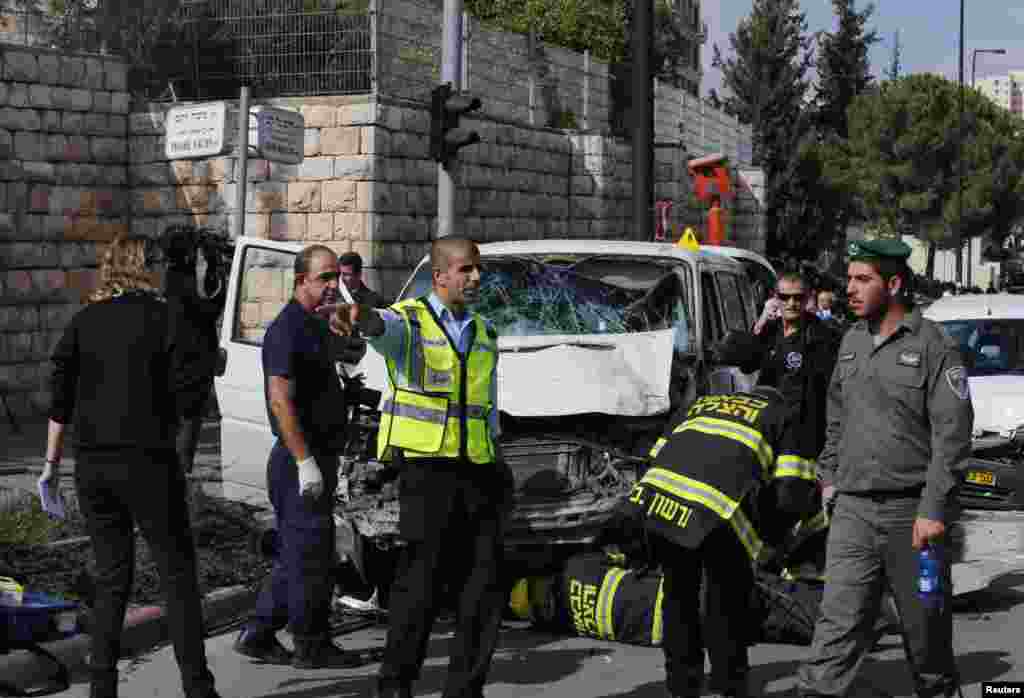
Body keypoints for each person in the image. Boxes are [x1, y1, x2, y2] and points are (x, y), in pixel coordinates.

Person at [326, 236, 513, 698]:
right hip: (429, 473)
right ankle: (395, 688)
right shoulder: (411, 320)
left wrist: (497, 456)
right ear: (441, 275)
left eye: (478, 269)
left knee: (483, 591)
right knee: (420, 589)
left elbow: (485, 405)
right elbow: (379, 325)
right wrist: (359, 318)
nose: (476, 278)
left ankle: (466, 691)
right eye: (467, 269)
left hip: (481, 472)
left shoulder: (484, 330)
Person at [40, 234, 220, 698]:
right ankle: (197, 688)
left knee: (111, 576)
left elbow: (59, 399)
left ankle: (102, 688)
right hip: (148, 463)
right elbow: (186, 397)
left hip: (93, 467)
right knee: (178, 577)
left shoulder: (83, 321)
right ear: (146, 267)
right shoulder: (165, 319)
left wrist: (50, 466)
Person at [796, 239, 974, 698]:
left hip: (912, 515)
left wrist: (934, 508)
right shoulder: (851, 341)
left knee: (926, 632)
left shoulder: (935, 346)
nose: (849, 289)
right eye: (850, 278)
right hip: (853, 510)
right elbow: (836, 414)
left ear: (893, 284)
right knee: (836, 623)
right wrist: (829, 476)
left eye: (862, 280)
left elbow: (952, 436)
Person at [624, 364, 821, 698]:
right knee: (725, 599)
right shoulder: (783, 416)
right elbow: (790, 494)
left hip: (660, 500)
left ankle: (681, 685)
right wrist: (773, 541)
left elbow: (653, 458)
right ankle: (730, 684)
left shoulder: (700, 404)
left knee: (678, 595)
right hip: (716, 510)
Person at [233, 244, 366, 669]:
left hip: (317, 457)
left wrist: (348, 328)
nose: (333, 285)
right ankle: (312, 644)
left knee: (297, 554)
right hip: (297, 461)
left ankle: (258, 634)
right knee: (312, 558)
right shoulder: (286, 329)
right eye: (324, 278)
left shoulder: (314, 324)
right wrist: (305, 461)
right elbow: (280, 402)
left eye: (336, 277)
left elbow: (349, 352)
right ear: (300, 281)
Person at [752, 272, 842, 460]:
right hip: (766, 430)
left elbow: (833, 393)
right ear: (776, 298)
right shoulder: (769, 330)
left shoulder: (822, 337)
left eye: (798, 297)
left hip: (802, 437)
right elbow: (748, 363)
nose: (791, 303)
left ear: (808, 298)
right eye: (785, 297)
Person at [161, 225, 228, 475]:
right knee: (188, 425)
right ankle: (181, 478)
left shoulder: (172, 276)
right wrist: (216, 275)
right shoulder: (188, 281)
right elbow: (210, 310)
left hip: (177, 360)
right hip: (191, 363)